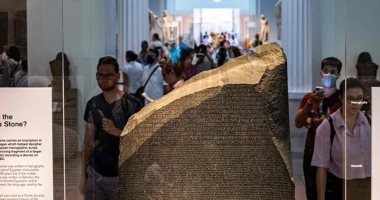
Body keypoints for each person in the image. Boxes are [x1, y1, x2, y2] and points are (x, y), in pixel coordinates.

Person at [79, 56, 142, 200]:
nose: (103, 78)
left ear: (117, 76)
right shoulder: (93, 104)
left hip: (122, 177)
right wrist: (84, 176)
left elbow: (141, 141)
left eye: (108, 75)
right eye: (100, 75)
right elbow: (88, 143)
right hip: (96, 175)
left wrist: (117, 132)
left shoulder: (132, 104)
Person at [312, 78, 371, 200]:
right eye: (350, 99)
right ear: (341, 98)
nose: (355, 103)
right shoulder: (327, 127)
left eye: (359, 98)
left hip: (369, 186)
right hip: (340, 188)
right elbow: (321, 167)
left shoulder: (371, 122)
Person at [295, 57, 343, 200]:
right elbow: (298, 122)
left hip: (334, 155)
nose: (329, 74)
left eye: (333, 71)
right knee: (312, 193)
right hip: (311, 152)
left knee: (334, 194)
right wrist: (310, 103)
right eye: (326, 71)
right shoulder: (310, 97)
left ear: (338, 75)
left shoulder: (341, 98)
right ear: (321, 73)